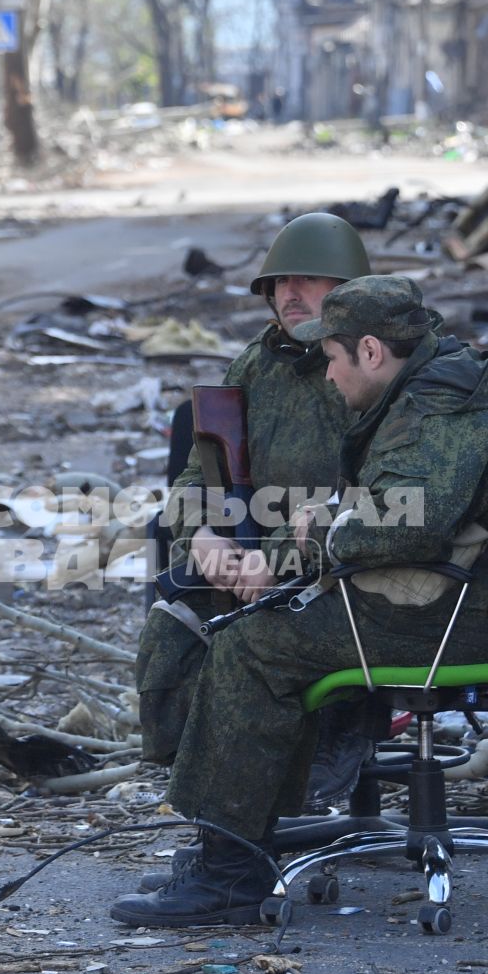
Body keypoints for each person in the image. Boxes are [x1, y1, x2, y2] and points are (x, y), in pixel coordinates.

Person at [111, 276, 488, 927]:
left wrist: (315, 529)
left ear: (371, 351)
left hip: (472, 616)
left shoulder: (440, 411)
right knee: (240, 626)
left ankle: (232, 873)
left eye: (335, 360)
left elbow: (410, 519)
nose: (325, 377)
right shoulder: (436, 387)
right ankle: (233, 850)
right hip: (467, 601)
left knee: (255, 646)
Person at [138, 212, 370, 769]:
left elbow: (383, 503)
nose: (291, 293)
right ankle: (208, 784)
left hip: (340, 560)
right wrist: (204, 535)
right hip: (249, 556)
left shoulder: (372, 363)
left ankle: (329, 742)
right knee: (174, 617)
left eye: (308, 280)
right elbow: (198, 473)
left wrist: (279, 560)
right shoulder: (257, 363)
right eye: (280, 283)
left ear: (346, 288)